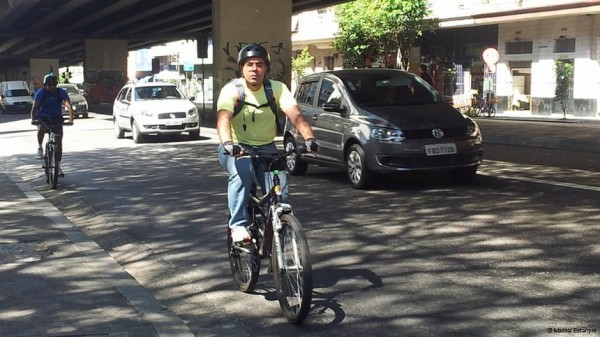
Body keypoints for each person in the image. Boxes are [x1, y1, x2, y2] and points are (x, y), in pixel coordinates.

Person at [216, 43, 318, 243]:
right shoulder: (232, 90)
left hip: (266, 147)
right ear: (241, 68)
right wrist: (228, 143)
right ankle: (238, 224)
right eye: (249, 64)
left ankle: (279, 229)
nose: (255, 69)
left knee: (280, 190)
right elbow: (223, 118)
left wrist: (309, 138)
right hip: (237, 147)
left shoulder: (277, 89)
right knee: (242, 174)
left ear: (266, 68)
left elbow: (296, 115)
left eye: (259, 64)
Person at [31, 73, 74, 177]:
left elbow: (68, 105)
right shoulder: (41, 93)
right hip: (43, 116)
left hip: (56, 117)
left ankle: (58, 165)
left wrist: (71, 119)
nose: (51, 87)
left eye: (54, 85)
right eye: (49, 85)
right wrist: (33, 119)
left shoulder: (60, 92)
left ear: (56, 84)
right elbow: (35, 106)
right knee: (41, 128)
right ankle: (40, 147)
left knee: (58, 140)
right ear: (45, 85)